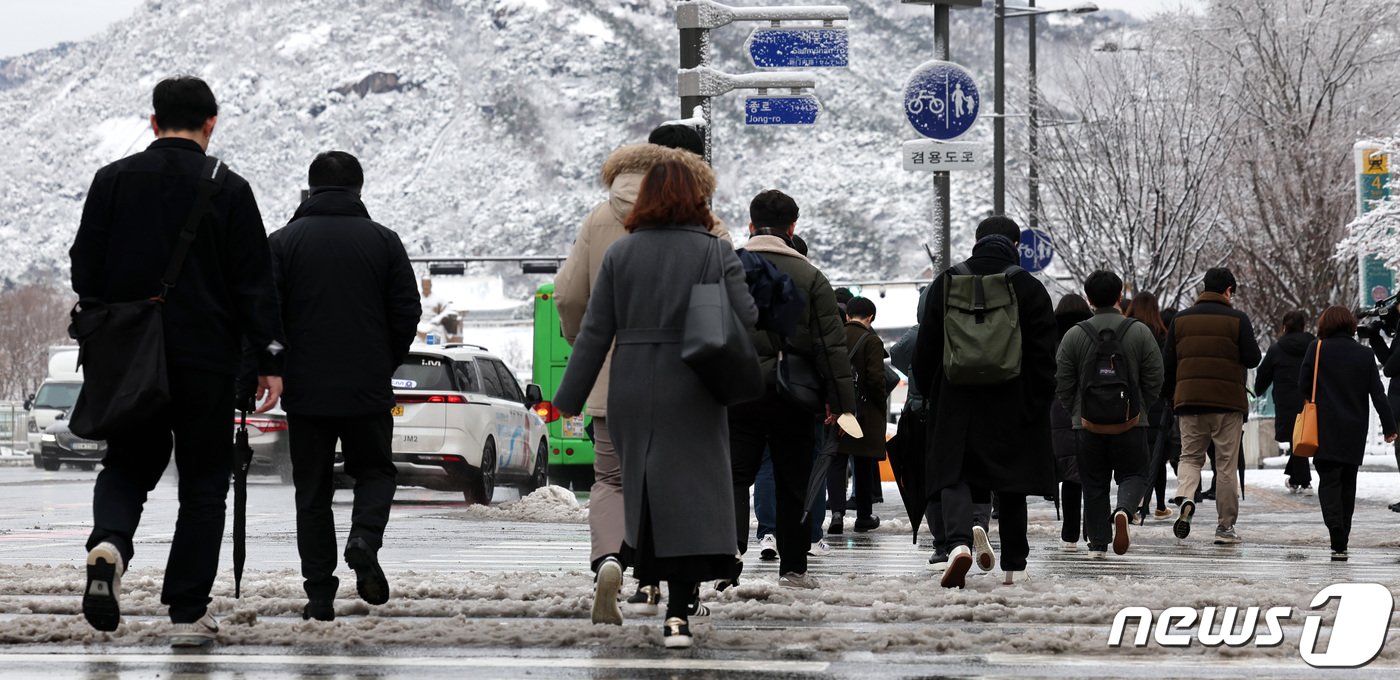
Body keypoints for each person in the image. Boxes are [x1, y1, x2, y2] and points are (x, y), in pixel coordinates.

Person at [69, 76, 283, 646]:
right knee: (204, 483)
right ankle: (188, 609)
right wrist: (268, 358)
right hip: (205, 360)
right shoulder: (230, 189)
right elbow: (254, 284)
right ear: (211, 123)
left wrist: (112, 316)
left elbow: (84, 269)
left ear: (153, 121)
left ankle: (110, 543)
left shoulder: (110, 181)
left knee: (127, 465)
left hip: (130, 357)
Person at [553, 160, 756, 649]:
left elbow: (596, 331)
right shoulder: (714, 251)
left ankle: (637, 575)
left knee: (641, 491)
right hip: (695, 383)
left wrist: (569, 398)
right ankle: (678, 615)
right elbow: (746, 315)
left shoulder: (621, 254)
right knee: (690, 498)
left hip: (633, 384)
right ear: (697, 199)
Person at [268, 151, 421, 621]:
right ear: (359, 187)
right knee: (375, 472)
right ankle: (364, 539)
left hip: (306, 393)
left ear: (311, 188)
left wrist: (276, 365)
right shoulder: (385, 242)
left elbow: (264, 315)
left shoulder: (282, 243)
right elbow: (406, 311)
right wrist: (383, 361)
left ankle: (319, 594)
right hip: (366, 388)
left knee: (311, 491)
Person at [912, 216, 1058, 588]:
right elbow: (1044, 354)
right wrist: (1036, 400)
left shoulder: (946, 282)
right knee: (1011, 480)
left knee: (954, 472)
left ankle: (958, 543)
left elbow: (925, 349)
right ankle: (1014, 562)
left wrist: (934, 394)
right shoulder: (1028, 286)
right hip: (1012, 398)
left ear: (977, 242)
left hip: (956, 397)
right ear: (1015, 245)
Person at [728, 189, 857, 590]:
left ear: (750, 226)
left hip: (736, 392)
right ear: (792, 228)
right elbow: (831, 346)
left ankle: (725, 557)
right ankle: (794, 569)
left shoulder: (726, 268)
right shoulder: (811, 277)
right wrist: (843, 404)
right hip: (794, 395)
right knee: (793, 481)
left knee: (732, 476)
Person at [1055, 272, 1164, 558]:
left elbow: (1063, 382)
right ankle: (1125, 510)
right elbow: (1155, 376)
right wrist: (1139, 407)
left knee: (1093, 482)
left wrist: (1076, 412)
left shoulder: (1075, 334)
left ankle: (1098, 544)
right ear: (1119, 297)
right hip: (1131, 422)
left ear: (1089, 298)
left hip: (1087, 424)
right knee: (1135, 473)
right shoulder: (1139, 331)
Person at [1162, 267, 1261, 544]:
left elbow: (1168, 364)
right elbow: (1253, 358)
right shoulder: (1238, 319)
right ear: (1228, 290)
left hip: (1189, 401)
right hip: (1227, 404)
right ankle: (1225, 528)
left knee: (1190, 458)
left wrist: (1170, 397)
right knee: (1226, 465)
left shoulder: (1180, 321)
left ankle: (1187, 498)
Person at [1299, 306, 1398, 560]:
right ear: (1350, 326)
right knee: (1348, 483)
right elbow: (1378, 393)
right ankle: (1343, 536)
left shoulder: (1317, 349)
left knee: (1329, 481)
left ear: (1325, 325)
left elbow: (1303, 385)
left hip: (1323, 427)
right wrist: (1389, 427)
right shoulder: (1364, 355)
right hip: (1354, 429)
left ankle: (1336, 533)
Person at [830, 297, 888, 533]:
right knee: (863, 462)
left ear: (847, 315)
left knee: (836, 461)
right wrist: (880, 405)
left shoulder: (834, 336)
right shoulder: (872, 340)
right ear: (871, 317)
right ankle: (863, 516)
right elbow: (875, 379)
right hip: (864, 413)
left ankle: (836, 513)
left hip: (836, 409)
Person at [1254, 310, 1316, 494]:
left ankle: (1305, 482)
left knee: (1295, 439)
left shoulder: (1276, 349)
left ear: (1284, 327)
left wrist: (1258, 390)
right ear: (1303, 326)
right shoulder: (1314, 346)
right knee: (1301, 439)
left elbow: (1263, 374)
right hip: (1311, 400)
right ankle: (1296, 478)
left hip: (1286, 401)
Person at [1125, 291, 1173, 519]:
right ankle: (1160, 505)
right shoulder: (1163, 336)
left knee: (1134, 459)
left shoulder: (1126, 333)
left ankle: (1132, 505)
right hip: (1156, 404)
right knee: (1157, 457)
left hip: (1128, 403)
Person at [1051, 293, 1092, 551]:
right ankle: (1092, 529)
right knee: (1091, 471)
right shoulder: (1091, 333)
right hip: (1089, 405)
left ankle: (1069, 534)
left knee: (1068, 473)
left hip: (1058, 407)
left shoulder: (1050, 335)